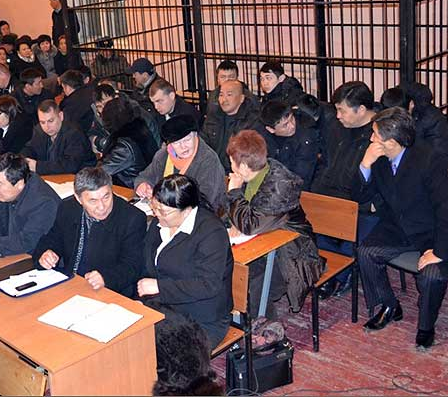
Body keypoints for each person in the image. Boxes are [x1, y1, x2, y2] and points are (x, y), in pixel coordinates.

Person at [353, 108, 448, 349]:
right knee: (365, 253)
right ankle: (390, 305)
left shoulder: (428, 160)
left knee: (432, 275)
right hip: (398, 226)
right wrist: (365, 164)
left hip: (431, 231)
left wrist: (439, 252)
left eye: (375, 134)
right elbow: (360, 197)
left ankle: (426, 326)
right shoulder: (378, 157)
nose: (371, 139)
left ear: (391, 142)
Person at [219, 130, 325, 317]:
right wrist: (234, 221)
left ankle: (264, 325)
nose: (230, 166)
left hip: (295, 253)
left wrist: (234, 192)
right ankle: (238, 316)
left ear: (243, 166)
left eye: (232, 162)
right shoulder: (251, 175)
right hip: (265, 243)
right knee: (228, 266)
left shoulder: (279, 186)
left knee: (253, 278)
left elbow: (251, 224)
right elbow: (234, 214)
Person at [137, 174, 233, 349]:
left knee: (157, 355)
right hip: (163, 306)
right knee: (127, 343)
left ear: (187, 210)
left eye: (163, 211)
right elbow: (146, 265)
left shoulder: (212, 232)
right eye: (154, 206)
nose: (156, 213)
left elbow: (208, 285)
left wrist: (160, 287)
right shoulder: (160, 224)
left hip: (200, 317)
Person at [32, 167, 145, 297]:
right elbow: (53, 238)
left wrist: (106, 278)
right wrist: (46, 253)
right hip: (69, 284)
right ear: (78, 199)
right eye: (93, 201)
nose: (102, 206)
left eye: (106, 197)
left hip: (108, 291)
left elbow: (132, 265)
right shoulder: (68, 207)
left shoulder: (132, 218)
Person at [312, 82, 378, 299]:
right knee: (312, 224)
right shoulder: (336, 127)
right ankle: (328, 273)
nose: (337, 115)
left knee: (351, 236)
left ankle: (342, 275)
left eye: (342, 110)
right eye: (336, 109)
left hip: (362, 203)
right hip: (331, 196)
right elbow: (325, 163)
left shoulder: (379, 134)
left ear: (361, 110)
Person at [134, 116, 225, 212]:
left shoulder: (209, 160)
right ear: (169, 143)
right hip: (165, 209)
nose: (183, 146)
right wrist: (142, 184)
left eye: (187, 140)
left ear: (195, 135)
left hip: (199, 214)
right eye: (177, 143)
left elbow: (204, 200)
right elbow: (145, 176)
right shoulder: (163, 155)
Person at [382, 82, 448, 166]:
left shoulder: (432, 119)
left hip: (421, 168)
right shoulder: (385, 111)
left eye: (399, 117)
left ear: (411, 104)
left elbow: (441, 158)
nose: (395, 121)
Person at [98, 96, 159, 189]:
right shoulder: (139, 129)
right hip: (145, 182)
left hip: (129, 189)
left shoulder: (124, 146)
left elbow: (101, 172)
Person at [200, 79, 260, 173]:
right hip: (213, 168)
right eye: (221, 95)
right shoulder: (213, 117)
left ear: (241, 98)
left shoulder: (251, 121)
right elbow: (203, 144)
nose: (224, 100)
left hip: (238, 171)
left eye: (229, 95)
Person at [21, 100, 95, 175]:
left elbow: (70, 165)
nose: (47, 127)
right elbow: (30, 149)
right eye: (42, 122)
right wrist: (24, 160)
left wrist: (38, 167)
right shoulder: (39, 130)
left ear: (61, 116)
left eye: (51, 121)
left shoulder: (75, 134)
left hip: (82, 176)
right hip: (51, 177)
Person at [259, 100, 319, 190]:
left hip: (294, 188)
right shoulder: (261, 137)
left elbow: (300, 179)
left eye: (292, 119)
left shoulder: (306, 137)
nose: (292, 126)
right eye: (285, 125)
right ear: (271, 129)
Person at [90, 82, 161, 155]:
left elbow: (155, 144)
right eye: (99, 106)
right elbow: (92, 135)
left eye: (106, 103)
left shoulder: (137, 114)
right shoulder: (99, 117)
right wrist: (101, 141)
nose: (104, 109)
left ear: (116, 97)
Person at [59, 69, 95, 135]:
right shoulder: (92, 90)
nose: (63, 91)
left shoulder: (70, 104)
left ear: (67, 87)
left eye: (63, 87)